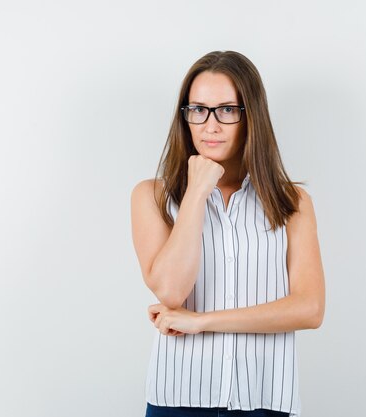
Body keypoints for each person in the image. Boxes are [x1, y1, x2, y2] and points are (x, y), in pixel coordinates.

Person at [130, 50, 325, 417]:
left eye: (227, 110)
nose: (210, 125)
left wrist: (201, 321)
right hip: (179, 399)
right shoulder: (151, 196)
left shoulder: (292, 202)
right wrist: (197, 192)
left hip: (266, 401)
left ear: (251, 117)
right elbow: (171, 290)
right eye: (198, 109)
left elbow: (310, 309)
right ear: (185, 116)